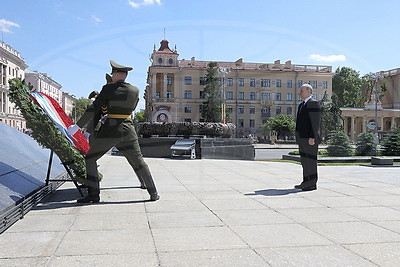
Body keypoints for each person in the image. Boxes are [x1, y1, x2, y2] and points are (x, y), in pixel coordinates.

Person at [68, 60, 159, 203]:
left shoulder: (107, 89)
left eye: (113, 73)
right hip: (128, 130)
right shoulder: (135, 90)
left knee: (90, 159)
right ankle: (153, 193)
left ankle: (94, 195)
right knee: (139, 162)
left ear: (116, 74)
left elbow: (94, 108)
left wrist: (77, 126)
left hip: (110, 131)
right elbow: (133, 108)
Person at [294, 84, 321, 191]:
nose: (300, 92)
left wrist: (312, 136)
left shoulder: (313, 103)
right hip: (302, 139)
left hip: (310, 139)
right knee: (304, 162)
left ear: (309, 91)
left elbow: (315, 122)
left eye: (302, 90)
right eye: (300, 90)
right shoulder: (301, 105)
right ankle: (305, 181)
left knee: (311, 161)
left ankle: (312, 184)